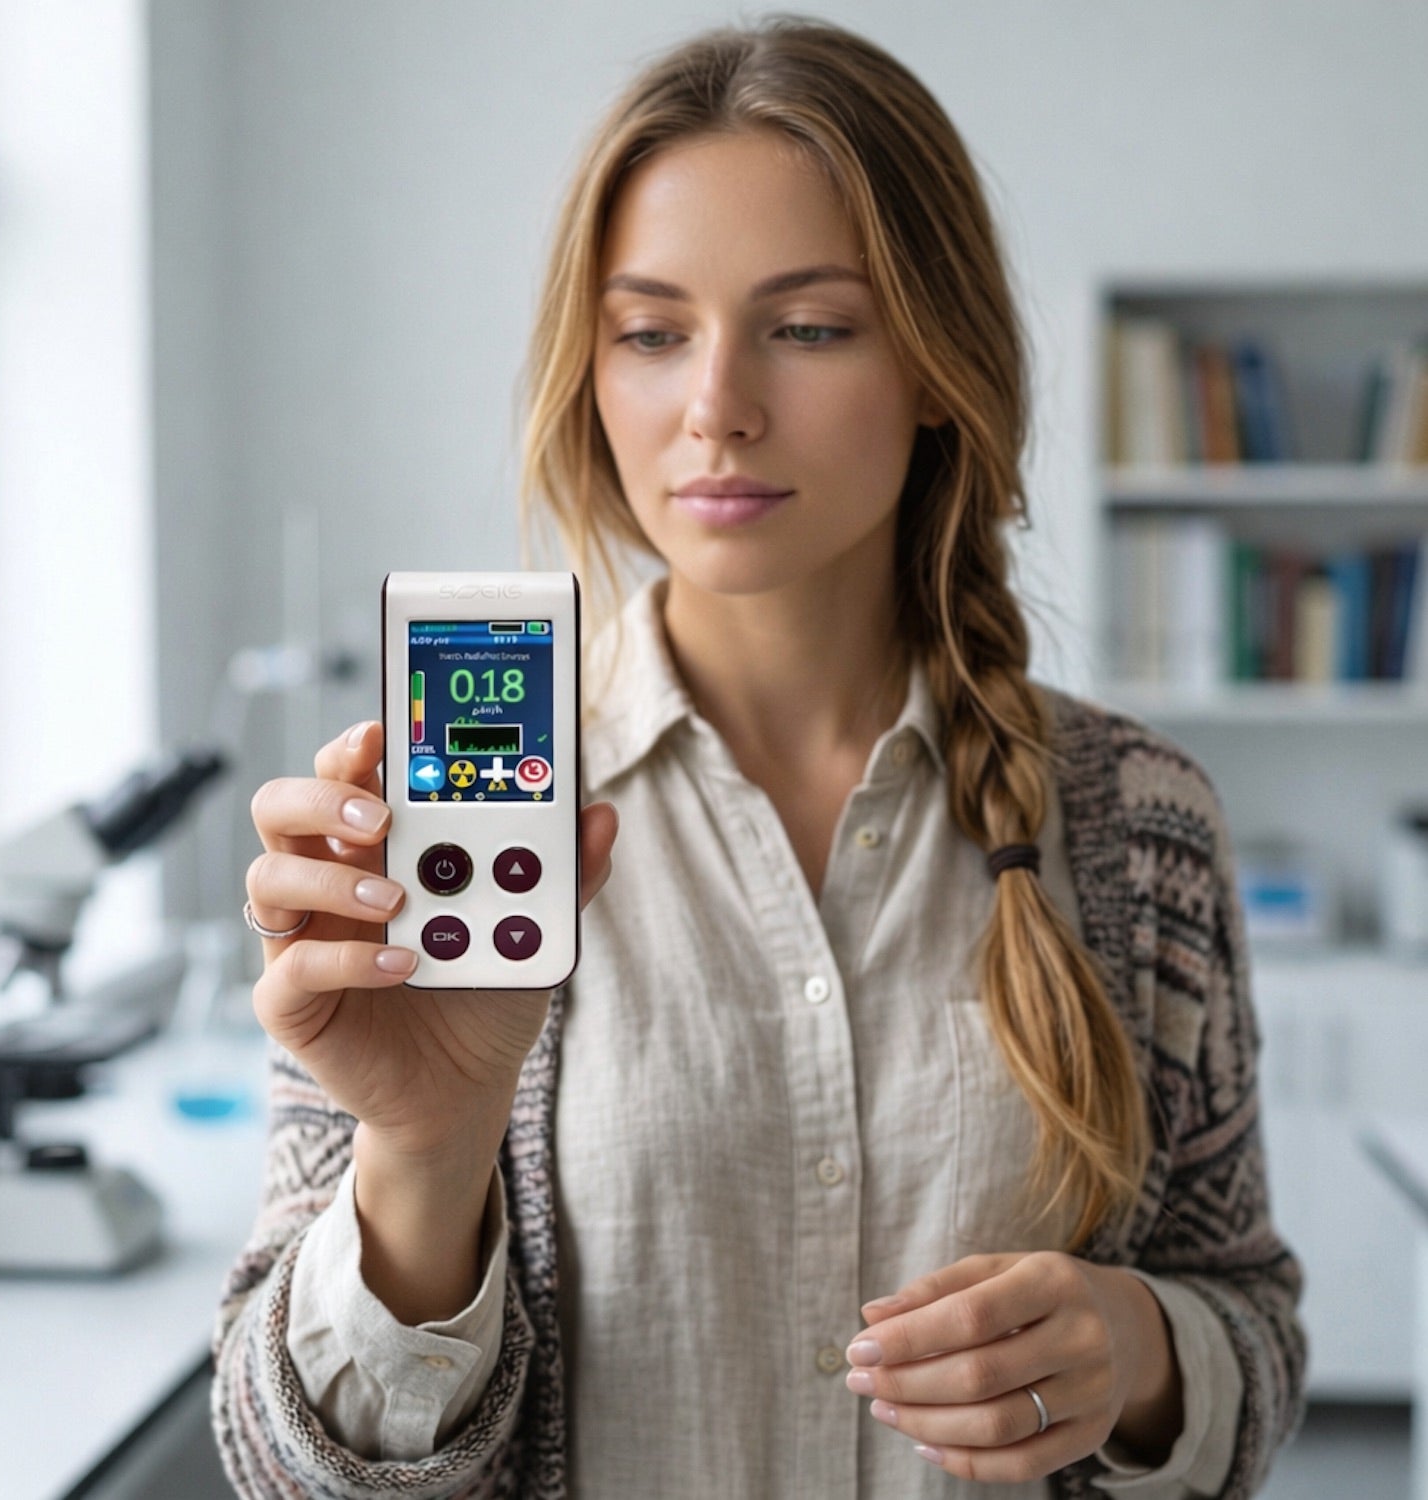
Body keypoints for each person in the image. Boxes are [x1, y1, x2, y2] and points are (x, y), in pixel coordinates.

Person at [214, 15, 1304, 1498]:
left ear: (936, 364)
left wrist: (1139, 1346)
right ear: (590, 371)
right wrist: (426, 1144)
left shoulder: (1139, 824)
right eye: (651, 332)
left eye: (809, 326)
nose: (716, 404)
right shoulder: (442, 822)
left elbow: (1253, 1322)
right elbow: (289, 1476)